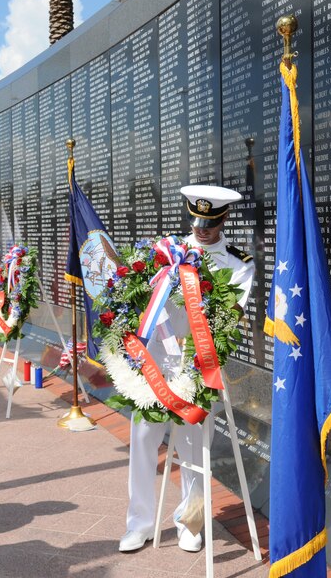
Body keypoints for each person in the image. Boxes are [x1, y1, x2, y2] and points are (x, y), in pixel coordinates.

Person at [119, 184, 255, 554]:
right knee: (144, 442)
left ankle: (190, 522)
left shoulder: (237, 262)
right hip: (156, 366)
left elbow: (229, 317)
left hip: (199, 366)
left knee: (197, 450)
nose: (201, 229)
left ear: (223, 218)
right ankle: (140, 523)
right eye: (197, 220)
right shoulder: (165, 252)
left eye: (209, 222)